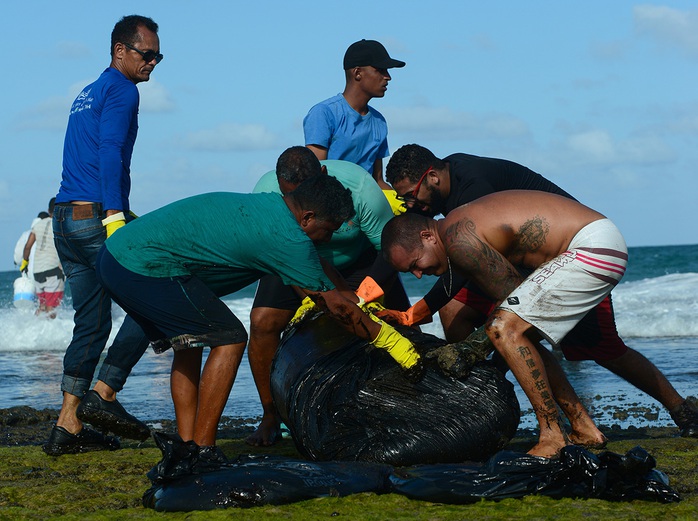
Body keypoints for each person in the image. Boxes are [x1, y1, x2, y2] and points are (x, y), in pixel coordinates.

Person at [96, 172, 422, 477]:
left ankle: (187, 446)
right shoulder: (287, 238)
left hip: (117, 256)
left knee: (192, 342)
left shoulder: (273, 207)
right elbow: (335, 308)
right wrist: (396, 344)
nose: (332, 236)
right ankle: (205, 451)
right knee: (231, 338)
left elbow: (324, 272)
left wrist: (358, 301)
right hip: (143, 265)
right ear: (308, 218)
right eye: (330, 227)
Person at [382, 143, 698, 439]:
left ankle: (679, 409)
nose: (411, 205)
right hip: (544, 263)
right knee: (472, 318)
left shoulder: (470, 192)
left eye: (410, 195)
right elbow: (468, 269)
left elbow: (476, 271)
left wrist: (485, 346)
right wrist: (418, 313)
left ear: (433, 177)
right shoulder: (451, 200)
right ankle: (500, 398)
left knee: (599, 348)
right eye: (403, 200)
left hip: (576, 252)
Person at [382, 190, 631, 457]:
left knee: (504, 328)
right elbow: (519, 310)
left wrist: (472, 348)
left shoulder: (460, 241)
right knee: (517, 332)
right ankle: (582, 427)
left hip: (594, 247)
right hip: (600, 244)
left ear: (428, 236)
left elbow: (512, 304)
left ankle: (553, 436)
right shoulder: (455, 233)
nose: (419, 275)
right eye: (411, 273)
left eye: (416, 263)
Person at [44, 15, 163, 456]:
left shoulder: (88, 90)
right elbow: (110, 150)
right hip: (95, 216)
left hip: (63, 218)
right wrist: (115, 215)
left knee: (91, 323)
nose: (152, 63)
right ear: (120, 51)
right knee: (156, 300)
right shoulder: (121, 88)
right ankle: (105, 393)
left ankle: (67, 424)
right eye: (145, 54)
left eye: (158, 55)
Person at [246, 146, 411, 446]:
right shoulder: (266, 191)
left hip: (357, 262)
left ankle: (404, 400)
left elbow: (390, 250)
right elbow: (272, 255)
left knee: (400, 322)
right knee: (262, 323)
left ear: (323, 174)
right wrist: (316, 295)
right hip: (292, 260)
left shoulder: (360, 187)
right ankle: (271, 416)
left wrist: (362, 298)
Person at [303, 39, 405, 208]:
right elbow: (314, 176)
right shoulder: (324, 113)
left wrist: (404, 206)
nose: (388, 77)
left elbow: (377, 180)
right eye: (380, 70)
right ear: (358, 73)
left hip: (366, 208)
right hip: (330, 208)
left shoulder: (379, 121)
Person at [21, 198, 65, 317]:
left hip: (37, 271)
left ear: (48, 210)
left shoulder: (38, 225)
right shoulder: (60, 225)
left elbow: (27, 247)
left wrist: (24, 262)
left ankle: (34, 328)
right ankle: (51, 334)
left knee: (42, 306)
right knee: (52, 308)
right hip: (53, 270)